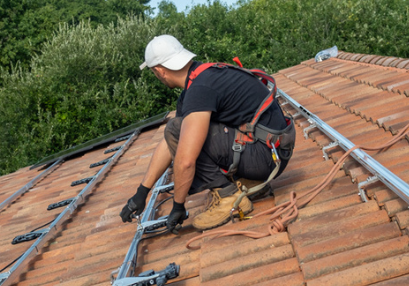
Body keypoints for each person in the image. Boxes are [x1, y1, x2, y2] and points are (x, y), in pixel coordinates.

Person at [120, 35, 296, 231]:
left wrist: (178, 206)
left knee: (179, 131)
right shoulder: (202, 77)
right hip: (273, 149)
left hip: (267, 158)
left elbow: (185, 158)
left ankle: (228, 196)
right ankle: (246, 182)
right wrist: (142, 192)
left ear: (159, 71)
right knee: (179, 130)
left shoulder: (199, 90)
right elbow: (169, 143)